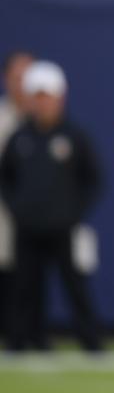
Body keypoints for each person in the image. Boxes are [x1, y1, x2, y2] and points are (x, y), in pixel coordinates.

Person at [0, 61, 104, 353]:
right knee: (24, 287)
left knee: (76, 287)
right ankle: (18, 343)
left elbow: (93, 180)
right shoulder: (19, 137)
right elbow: (5, 178)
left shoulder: (74, 135)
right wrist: (17, 208)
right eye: (38, 96)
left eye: (48, 96)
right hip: (27, 226)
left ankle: (92, 344)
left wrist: (74, 212)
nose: (43, 102)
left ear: (60, 97)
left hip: (64, 227)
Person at [0, 50, 33, 344]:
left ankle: (30, 338)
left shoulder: (48, 120)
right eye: (18, 77)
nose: (23, 84)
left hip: (40, 221)